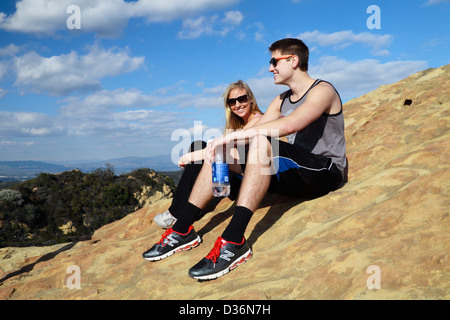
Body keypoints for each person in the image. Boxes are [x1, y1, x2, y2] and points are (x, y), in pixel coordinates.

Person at [142, 38, 347, 281]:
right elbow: (248, 136)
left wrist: (225, 140)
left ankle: (234, 240)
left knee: (261, 140)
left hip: (324, 172)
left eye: (274, 61)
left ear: (293, 61)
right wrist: (207, 151)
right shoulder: (281, 99)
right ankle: (182, 229)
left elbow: (291, 124)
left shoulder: (323, 90)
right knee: (224, 152)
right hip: (295, 176)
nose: (270, 67)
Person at [152, 80, 263, 229]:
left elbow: (226, 147)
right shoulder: (236, 125)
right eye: (232, 102)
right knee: (198, 145)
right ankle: (190, 207)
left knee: (203, 151)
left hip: (247, 183)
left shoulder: (260, 120)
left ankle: (176, 214)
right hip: (229, 179)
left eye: (242, 99)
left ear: (250, 99)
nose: (238, 104)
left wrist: (189, 157)